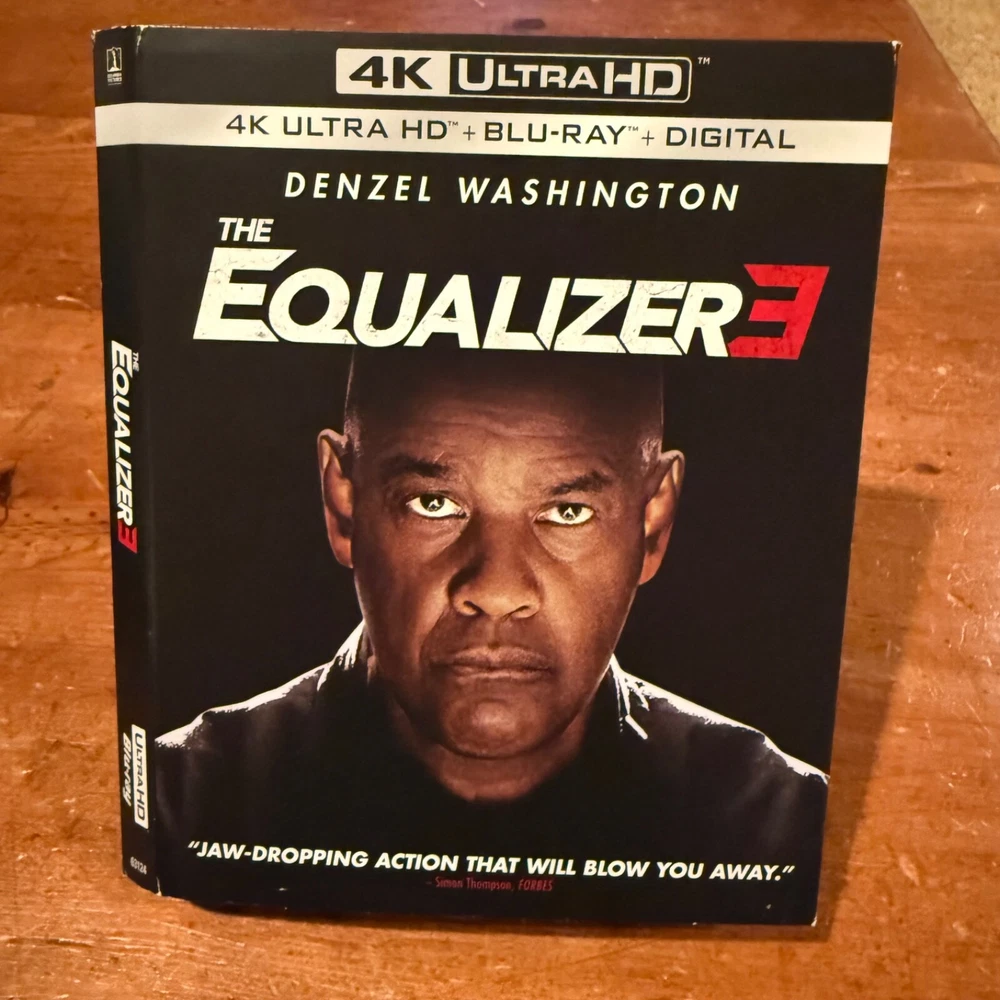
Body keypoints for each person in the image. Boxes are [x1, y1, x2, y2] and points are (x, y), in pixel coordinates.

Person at [155, 350, 827, 909]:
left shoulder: (776, 826)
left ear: (652, 522)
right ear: (343, 505)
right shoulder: (182, 806)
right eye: (434, 503)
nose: (498, 591)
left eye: (567, 511)